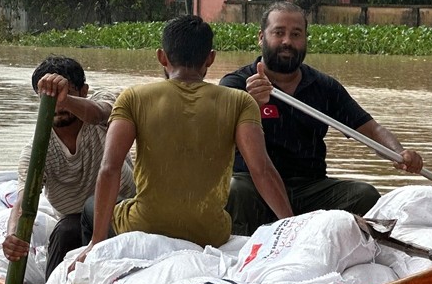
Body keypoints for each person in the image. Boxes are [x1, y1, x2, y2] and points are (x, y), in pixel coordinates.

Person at [78, 14, 292, 260]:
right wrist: (292, 225)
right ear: (210, 58)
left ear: (162, 57)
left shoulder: (132, 97)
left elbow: (109, 168)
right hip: (210, 232)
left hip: (145, 223)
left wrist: (96, 242)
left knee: (89, 207)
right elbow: (261, 169)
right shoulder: (240, 101)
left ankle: (93, 260)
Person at [218, 1, 423, 236]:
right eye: (278, 33)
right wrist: (252, 104)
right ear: (261, 37)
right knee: (234, 190)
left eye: (296, 34)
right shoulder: (236, 84)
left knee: (365, 195)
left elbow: (372, 130)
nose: (287, 41)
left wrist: (400, 153)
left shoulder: (324, 87)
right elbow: (217, 140)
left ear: (305, 40)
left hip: (310, 188)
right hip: (253, 187)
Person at [1, 57, 134, 278]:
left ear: (84, 91)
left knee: (94, 211)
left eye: (67, 93)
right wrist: (13, 235)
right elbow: (25, 202)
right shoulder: (38, 150)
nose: (57, 105)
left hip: (124, 211)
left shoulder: (103, 107)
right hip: (74, 225)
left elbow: (100, 112)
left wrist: (65, 100)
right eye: (47, 98)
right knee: (66, 231)